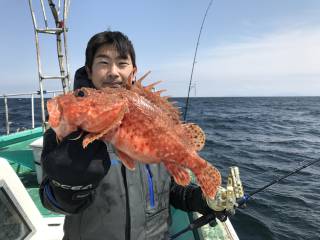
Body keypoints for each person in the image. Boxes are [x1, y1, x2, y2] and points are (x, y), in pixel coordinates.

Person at [39, 30, 225, 240]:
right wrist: (69, 187)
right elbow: (51, 200)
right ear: (89, 71)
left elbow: (170, 190)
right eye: (103, 62)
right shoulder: (69, 132)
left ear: (133, 71)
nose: (113, 72)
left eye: (122, 63)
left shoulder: (146, 110)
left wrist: (198, 200)